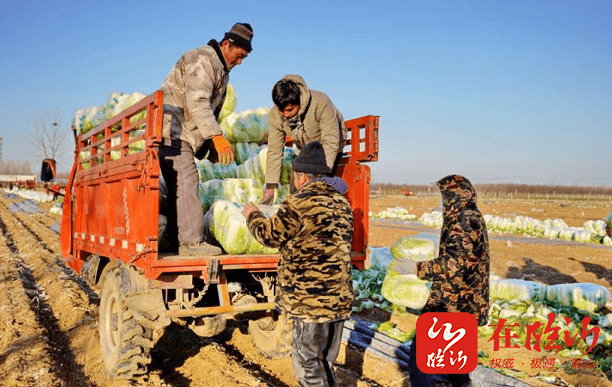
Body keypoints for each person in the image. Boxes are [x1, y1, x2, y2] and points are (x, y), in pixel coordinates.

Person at [241, 141, 354, 387]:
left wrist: (252, 214)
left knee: (309, 368)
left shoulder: (298, 202)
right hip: (338, 302)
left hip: (309, 303)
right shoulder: (343, 204)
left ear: (302, 176)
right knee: (325, 362)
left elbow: (269, 236)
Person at [159, 22, 253, 256]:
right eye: (239, 55)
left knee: (177, 188)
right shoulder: (203, 59)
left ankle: (173, 240)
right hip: (173, 130)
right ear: (227, 44)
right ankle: (191, 243)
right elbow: (198, 102)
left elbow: (212, 110)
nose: (239, 62)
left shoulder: (221, 69)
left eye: (244, 58)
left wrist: (209, 143)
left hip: (184, 134)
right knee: (187, 180)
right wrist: (217, 136)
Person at [406, 175, 490, 387]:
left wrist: (417, 268)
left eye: (445, 197)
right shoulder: (470, 215)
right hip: (462, 301)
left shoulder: (463, 220)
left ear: (454, 196)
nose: (442, 202)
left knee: (421, 360)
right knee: (454, 360)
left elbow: (454, 262)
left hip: (451, 303)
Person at [259, 75, 347, 205]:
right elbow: (274, 151)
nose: (285, 114)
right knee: (296, 190)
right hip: (304, 147)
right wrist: (270, 188)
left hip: (327, 145)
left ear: (299, 101)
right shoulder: (275, 116)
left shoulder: (320, 102)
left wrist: (319, 177)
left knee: (315, 191)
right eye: (280, 110)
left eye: (289, 110)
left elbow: (331, 141)